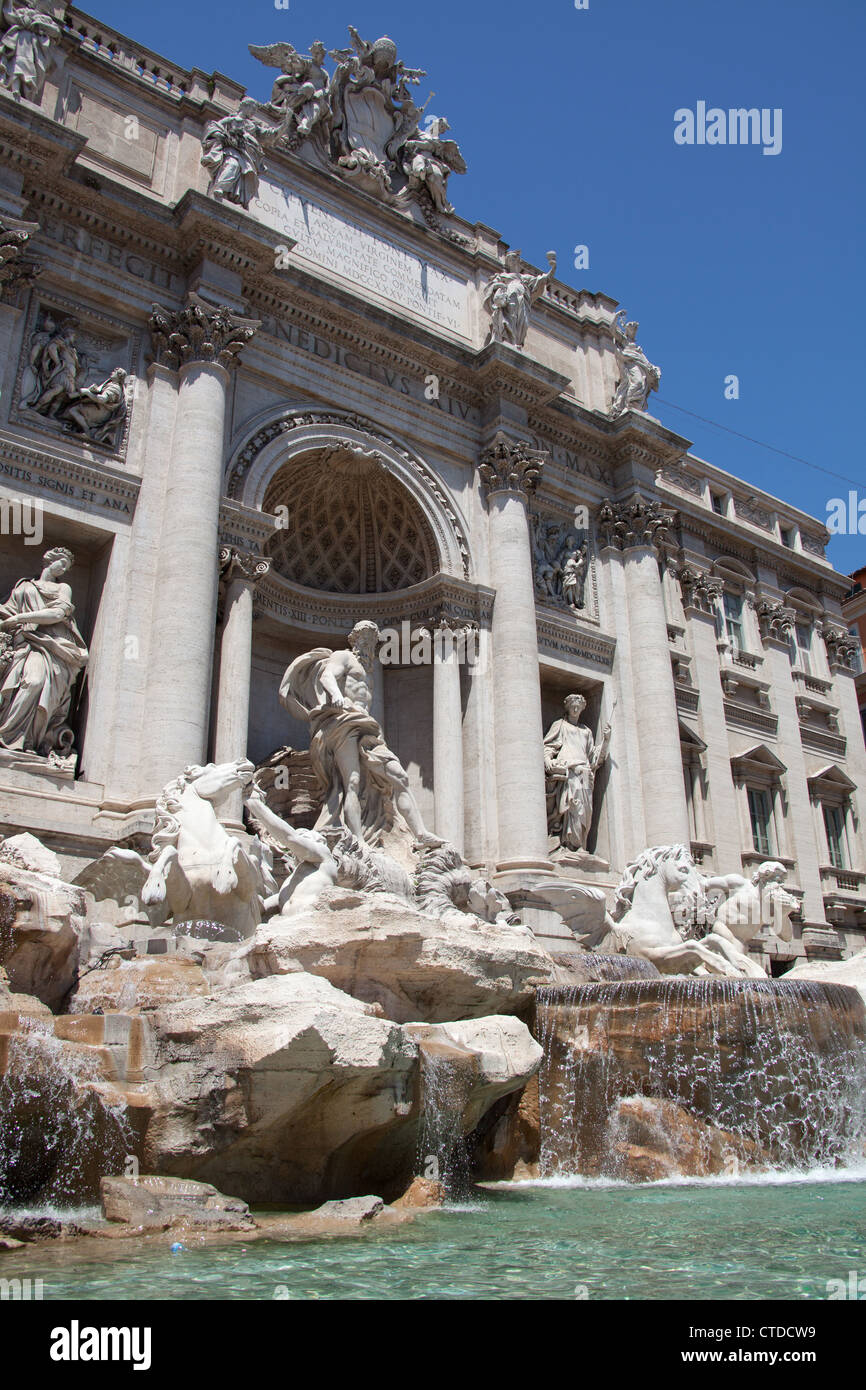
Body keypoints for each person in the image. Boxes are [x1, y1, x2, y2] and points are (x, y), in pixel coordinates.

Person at [280, 620, 442, 847]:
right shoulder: (343, 657)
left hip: (366, 726)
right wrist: (336, 695)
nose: (369, 643)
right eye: (365, 637)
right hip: (343, 722)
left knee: (400, 777)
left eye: (373, 639)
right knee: (352, 783)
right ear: (354, 639)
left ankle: (421, 834)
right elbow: (327, 676)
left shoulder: (370, 670)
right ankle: (358, 842)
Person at [0, 547, 88, 755]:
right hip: (22, 643)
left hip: (50, 646)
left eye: (67, 566)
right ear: (50, 561)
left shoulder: (63, 588)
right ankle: (11, 739)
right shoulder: (24, 586)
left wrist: (22, 618)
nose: (63, 569)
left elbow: (58, 613)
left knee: (36, 683)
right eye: (62, 563)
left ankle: (26, 740)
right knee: (20, 685)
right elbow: (8, 611)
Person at [544, 692, 611, 851]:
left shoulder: (586, 731)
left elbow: (595, 758)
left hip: (586, 773)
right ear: (567, 707)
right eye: (573, 706)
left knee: (585, 812)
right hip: (570, 770)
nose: (575, 709)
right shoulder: (560, 725)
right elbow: (547, 747)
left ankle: (580, 844)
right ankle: (569, 844)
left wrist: (606, 740)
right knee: (573, 807)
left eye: (578, 707)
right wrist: (549, 762)